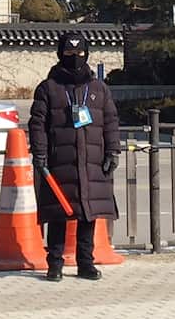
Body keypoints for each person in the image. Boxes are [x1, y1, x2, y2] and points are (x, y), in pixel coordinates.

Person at [28, 31, 119, 281]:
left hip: (93, 161)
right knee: (58, 214)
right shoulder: (48, 88)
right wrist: (40, 154)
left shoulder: (99, 88)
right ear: (60, 54)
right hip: (60, 161)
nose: (75, 58)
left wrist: (112, 150)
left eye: (79, 53)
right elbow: (38, 124)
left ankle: (85, 263)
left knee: (88, 214)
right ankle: (54, 263)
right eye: (69, 53)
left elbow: (110, 121)